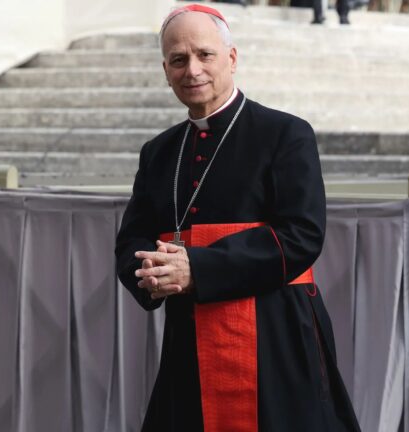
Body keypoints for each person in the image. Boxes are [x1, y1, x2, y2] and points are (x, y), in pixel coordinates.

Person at [114, 4, 361, 431]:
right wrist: (152, 274)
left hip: (275, 334)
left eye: (204, 55)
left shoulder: (285, 133)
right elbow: (130, 240)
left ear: (231, 58)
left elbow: (302, 234)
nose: (192, 70)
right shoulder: (158, 152)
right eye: (178, 59)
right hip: (190, 337)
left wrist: (197, 268)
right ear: (165, 69)